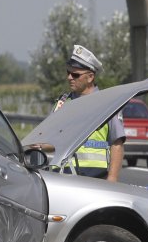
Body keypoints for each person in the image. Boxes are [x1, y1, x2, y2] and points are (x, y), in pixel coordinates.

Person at [52, 45, 125, 182]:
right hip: (62, 179)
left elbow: (117, 144)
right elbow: (50, 141)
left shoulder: (107, 104)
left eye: (75, 75)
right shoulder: (62, 103)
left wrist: (112, 179)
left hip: (95, 180)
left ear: (90, 77)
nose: (69, 77)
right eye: (68, 72)